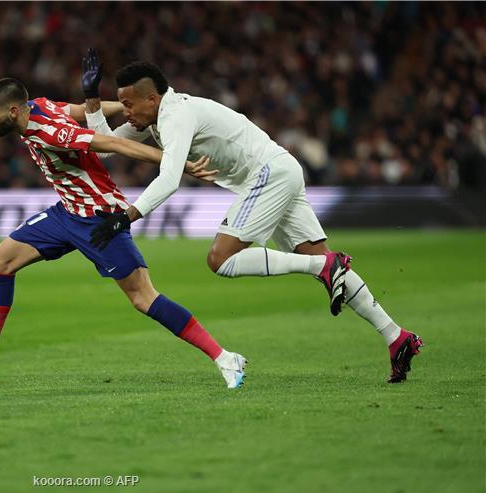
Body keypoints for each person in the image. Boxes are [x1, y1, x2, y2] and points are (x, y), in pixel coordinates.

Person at [84, 54, 422, 383]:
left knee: (220, 258)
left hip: (267, 174)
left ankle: (323, 266)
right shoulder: (158, 116)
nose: (125, 113)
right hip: (282, 170)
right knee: (323, 264)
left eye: (128, 105)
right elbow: (107, 145)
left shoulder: (176, 116)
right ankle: (396, 336)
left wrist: (126, 217)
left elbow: (170, 179)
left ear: (152, 98)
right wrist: (91, 99)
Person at [0, 76, 248, 388]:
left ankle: (225, 357)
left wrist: (177, 163)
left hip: (99, 217)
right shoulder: (40, 105)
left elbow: (115, 144)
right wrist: (118, 107)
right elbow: (78, 110)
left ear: (14, 111)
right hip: (67, 213)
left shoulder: (51, 133)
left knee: (143, 298)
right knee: (0, 261)